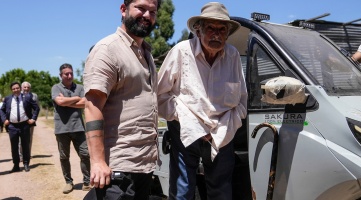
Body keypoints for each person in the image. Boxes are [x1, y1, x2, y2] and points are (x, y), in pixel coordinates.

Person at [157, 2, 248, 199]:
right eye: (211, 28)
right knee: (182, 192)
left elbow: (242, 101)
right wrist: (183, 117)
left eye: (222, 29)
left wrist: (229, 124)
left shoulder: (232, 55)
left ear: (227, 34)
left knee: (222, 193)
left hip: (222, 134)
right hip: (185, 131)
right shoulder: (181, 51)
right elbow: (160, 95)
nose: (216, 34)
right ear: (199, 31)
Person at [83, 0, 160, 199]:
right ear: (123, 9)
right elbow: (92, 105)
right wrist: (98, 162)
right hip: (118, 166)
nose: (147, 15)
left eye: (152, 11)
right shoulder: (108, 49)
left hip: (143, 164)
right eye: (141, 8)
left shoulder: (145, 54)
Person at [51, 63, 91, 194]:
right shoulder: (56, 88)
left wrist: (67, 101)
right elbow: (59, 102)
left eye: (71, 73)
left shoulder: (80, 87)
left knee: (85, 155)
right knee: (64, 157)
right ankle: (68, 182)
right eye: (66, 74)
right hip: (62, 129)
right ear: (60, 75)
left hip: (79, 128)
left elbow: (85, 103)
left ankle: (87, 181)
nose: (69, 76)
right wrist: (76, 99)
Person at [0, 82, 40, 173]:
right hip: (12, 126)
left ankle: (26, 164)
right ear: (11, 90)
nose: (16, 90)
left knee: (25, 145)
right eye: (14, 89)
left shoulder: (27, 97)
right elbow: (1, 110)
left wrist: (33, 119)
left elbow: (37, 108)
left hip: (24, 125)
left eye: (17, 88)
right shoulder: (7, 99)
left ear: (20, 88)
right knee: (14, 146)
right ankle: (16, 165)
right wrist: (4, 120)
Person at [18, 81, 39, 159]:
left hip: (30, 120)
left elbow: (37, 108)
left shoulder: (34, 96)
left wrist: (33, 118)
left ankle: (27, 154)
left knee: (29, 138)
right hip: (19, 120)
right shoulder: (17, 95)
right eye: (25, 87)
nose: (26, 89)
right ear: (21, 88)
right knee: (20, 138)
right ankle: (20, 155)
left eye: (28, 87)